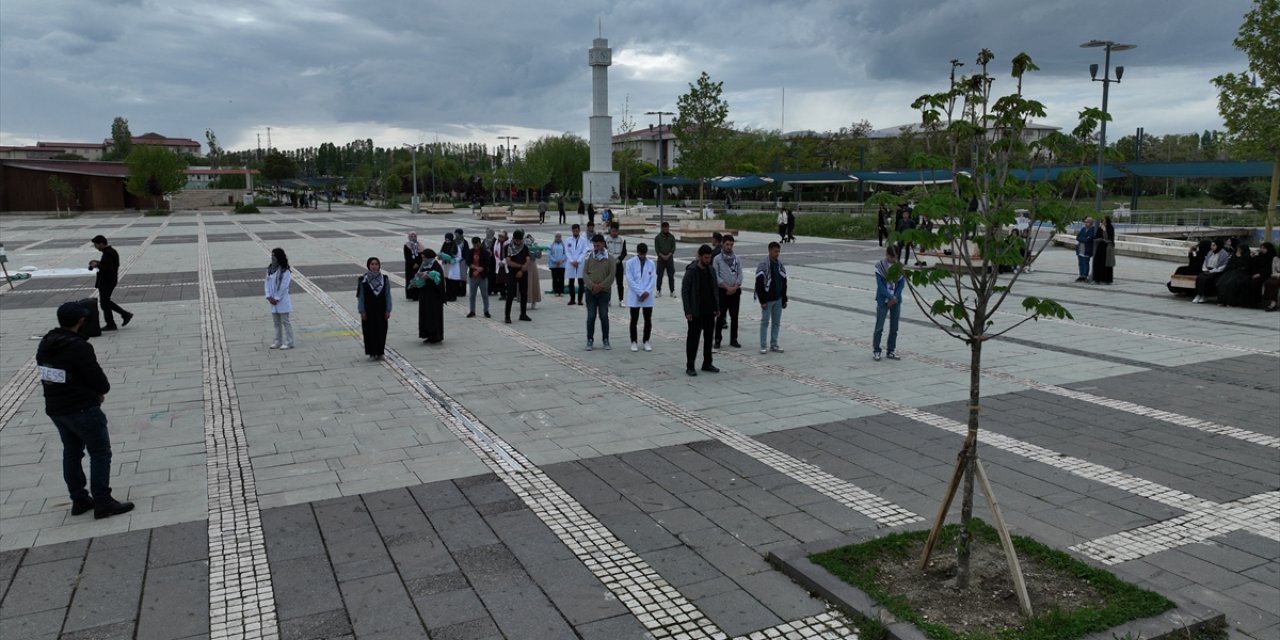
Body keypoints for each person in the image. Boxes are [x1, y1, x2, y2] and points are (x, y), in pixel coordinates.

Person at [36, 302, 134, 519]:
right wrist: (97, 392)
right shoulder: (78, 347)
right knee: (100, 452)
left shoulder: (46, 343)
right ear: (81, 321)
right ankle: (103, 501)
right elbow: (98, 380)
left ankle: (79, 499)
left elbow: (50, 374)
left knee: (71, 452)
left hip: (56, 409)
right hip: (82, 408)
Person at [682, 245, 720, 376]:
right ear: (700, 256)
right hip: (695, 311)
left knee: (709, 338)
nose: (708, 260)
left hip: (709, 311)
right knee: (693, 339)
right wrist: (688, 311)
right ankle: (690, 366)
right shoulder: (691, 271)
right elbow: (685, 291)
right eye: (706, 257)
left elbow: (715, 289)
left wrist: (717, 307)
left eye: (709, 257)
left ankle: (707, 363)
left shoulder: (711, 270)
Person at [88, 235, 134, 331]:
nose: (95, 247)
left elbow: (109, 269)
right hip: (108, 280)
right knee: (105, 302)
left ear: (101, 244)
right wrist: (98, 263)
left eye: (96, 245)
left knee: (105, 302)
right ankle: (122, 316)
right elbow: (107, 265)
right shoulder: (108, 252)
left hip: (107, 281)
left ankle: (114, 322)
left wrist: (98, 264)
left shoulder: (109, 253)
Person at [755, 241, 788, 354]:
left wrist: (784, 298)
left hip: (778, 298)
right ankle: (763, 345)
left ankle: (774, 344)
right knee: (765, 322)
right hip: (767, 300)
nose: (777, 254)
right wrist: (762, 300)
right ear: (769, 251)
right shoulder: (763, 265)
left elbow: (784, 282)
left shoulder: (780, 265)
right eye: (775, 251)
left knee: (776, 323)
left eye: (778, 251)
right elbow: (759, 284)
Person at [872, 246, 904, 361]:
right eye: (891, 257)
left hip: (896, 300)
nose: (893, 259)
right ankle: (876, 350)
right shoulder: (879, 266)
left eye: (895, 257)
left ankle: (891, 350)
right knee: (879, 327)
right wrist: (890, 297)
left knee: (894, 327)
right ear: (887, 255)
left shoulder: (899, 267)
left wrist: (895, 297)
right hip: (883, 300)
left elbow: (901, 284)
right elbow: (880, 286)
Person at [583, 234, 615, 350]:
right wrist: (592, 286)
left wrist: (600, 286)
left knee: (604, 316)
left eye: (598, 245)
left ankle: (605, 339)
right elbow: (584, 273)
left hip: (604, 292)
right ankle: (589, 339)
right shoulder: (589, 256)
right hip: (590, 291)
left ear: (603, 244)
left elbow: (611, 276)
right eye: (594, 245)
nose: (596, 247)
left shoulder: (609, 258)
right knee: (591, 316)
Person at [357, 257, 392, 360]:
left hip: (381, 309)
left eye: (376, 264)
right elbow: (361, 296)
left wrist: (388, 309)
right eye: (372, 264)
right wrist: (362, 311)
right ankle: (372, 352)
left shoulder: (384, 278)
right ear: (368, 265)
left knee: (381, 330)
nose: (374, 266)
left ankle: (380, 352)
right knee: (369, 331)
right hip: (368, 310)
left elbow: (387, 295)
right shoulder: (363, 279)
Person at [712, 234, 743, 350]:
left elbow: (740, 274)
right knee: (720, 316)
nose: (729, 247)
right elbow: (716, 276)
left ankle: (734, 339)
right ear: (723, 244)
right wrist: (726, 287)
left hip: (735, 292)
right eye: (727, 244)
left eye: (731, 245)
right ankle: (717, 339)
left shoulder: (737, 259)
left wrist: (735, 287)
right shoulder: (717, 259)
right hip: (722, 292)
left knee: (734, 316)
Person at [625, 242, 656, 352]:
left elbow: (653, 278)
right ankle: (634, 341)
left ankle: (646, 340)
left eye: (644, 254)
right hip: (635, 295)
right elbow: (630, 280)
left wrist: (646, 292)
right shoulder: (630, 263)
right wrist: (640, 292)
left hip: (647, 295)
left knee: (648, 319)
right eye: (641, 254)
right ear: (637, 252)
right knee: (634, 319)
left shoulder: (651, 263)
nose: (642, 256)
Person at [264, 247, 294, 350]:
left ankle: (289, 342)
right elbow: (266, 283)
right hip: (272, 300)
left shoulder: (285, 271)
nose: (272, 258)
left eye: (274, 256)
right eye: (271, 256)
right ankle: (277, 341)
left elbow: (283, 286)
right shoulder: (270, 269)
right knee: (276, 323)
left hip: (281, 300)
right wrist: (268, 296)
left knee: (285, 322)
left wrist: (276, 298)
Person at [416, 249, 446, 343]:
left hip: (434, 296)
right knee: (426, 315)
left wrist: (429, 277)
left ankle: (436, 336)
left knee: (434, 316)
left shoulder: (436, 266)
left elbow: (439, 281)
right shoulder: (424, 264)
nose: (423, 259)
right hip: (425, 294)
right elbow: (418, 274)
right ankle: (428, 334)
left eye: (424, 257)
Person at [504, 230, 533, 323]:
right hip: (512, 273)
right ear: (513, 239)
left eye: (520, 240)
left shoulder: (524, 247)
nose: (518, 242)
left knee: (524, 293)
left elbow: (528, 259)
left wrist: (522, 270)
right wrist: (520, 266)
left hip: (523, 272)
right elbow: (509, 261)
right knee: (510, 294)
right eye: (517, 240)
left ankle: (523, 314)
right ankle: (507, 316)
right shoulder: (508, 247)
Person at [1215, 243, 1257, 307]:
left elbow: (1246, 266)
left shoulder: (1247, 256)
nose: (1238, 250)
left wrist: (1240, 257)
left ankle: (1230, 302)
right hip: (1231, 272)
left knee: (1231, 283)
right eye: (1238, 249)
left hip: (1241, 273)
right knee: (1222, 282)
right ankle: (1221, 301)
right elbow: (1230, 264)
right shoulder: (1234, 255)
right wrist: (1236, 257)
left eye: (1240, 249)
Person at [465, 236, 494, 318]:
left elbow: (487, 263)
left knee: (484, 295)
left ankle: (486, 311)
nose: (476, 246)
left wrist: (480, 269)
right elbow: (468, 262)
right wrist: (476, 268)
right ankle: (472, 311)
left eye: (477, 244)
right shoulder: (470, 251)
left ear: (480, 243)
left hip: (482, 277)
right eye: (474, 245)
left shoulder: (484, 252)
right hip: (473, 277)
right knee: (472, 295)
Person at [564, 224, 590, 305]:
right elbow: (567, 251)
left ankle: (580, 300)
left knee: (581, 282)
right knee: (571, 282)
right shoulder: (568, 240)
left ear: (579, 230)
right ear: (572, 231)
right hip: (571, 263)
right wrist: (572, 261)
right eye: (574, 230)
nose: (575, 232)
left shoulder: (584, 240)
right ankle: (572, 299)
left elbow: (584, 251)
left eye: (577, 230)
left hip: (580, 262)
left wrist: (578, 261)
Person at [606, 224, 628, 305]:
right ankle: (608, 300)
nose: (614, 233)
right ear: (610, 231)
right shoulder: (606, 239)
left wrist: (620, 259)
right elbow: (604, 251)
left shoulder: (622, 239)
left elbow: (624, 252)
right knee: (608, 283)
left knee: (620, 283)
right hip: (609, 264)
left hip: (619, 264)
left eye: (616, 231)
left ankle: (621, 300)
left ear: (618, 231)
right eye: (613, 231)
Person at [654, 221, 677, 297]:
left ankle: (672, 291)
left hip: (669, 259)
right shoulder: (658, 237)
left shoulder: (671, 237)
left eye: (668, 228)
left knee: (671, 275)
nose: (667, 229)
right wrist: (662, 256)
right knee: (659, 275)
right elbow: (657, 249)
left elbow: (673, 248)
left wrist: (668, 255)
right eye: (665, 228)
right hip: (661, 259)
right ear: (662, 228)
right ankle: (658, 290)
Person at [1091, 216, 1116, 284]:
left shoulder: (1110, 227)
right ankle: (1097, 279)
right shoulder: (1100, 227)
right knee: (1097, 262)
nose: (1103, 222)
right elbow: (1096, 238)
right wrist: (1101, 239)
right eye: (1102, 221)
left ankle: (1106, 280)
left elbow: (1107, 238)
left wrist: (1104, 230)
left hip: (1107, 248)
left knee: (1106, 264)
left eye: (1104, 221)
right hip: (1100, 247)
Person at [441, 233, 464, 302]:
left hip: (453, 266)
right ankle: (448, 295)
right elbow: (441, 253)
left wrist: (453, 260)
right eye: (446, 240)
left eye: (448, 240)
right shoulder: (444, 245)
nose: (447, 242)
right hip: (446, 266)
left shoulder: (456, 246)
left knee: (453, 282)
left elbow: (459, 257)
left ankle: (453, 296)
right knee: (447, 281)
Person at [1074, 218, 1097, 282]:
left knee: (1085, 262)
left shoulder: (1093, 230)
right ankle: (1081, 275)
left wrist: (1083, 239)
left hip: (1087, 249)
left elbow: (1089, 239)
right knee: (1080, 263)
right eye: (1085, 222)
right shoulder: (1083, 229)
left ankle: (1085, 276)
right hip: (1080, 248)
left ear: (1091, 223)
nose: (1086, 223)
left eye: (1087, 222)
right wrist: (1084, 239)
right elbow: (1078, 237)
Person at [524, 233, 544, 310]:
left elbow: (538, 256)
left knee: (534, 283)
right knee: (526, 284)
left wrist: (539, 250)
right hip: (525, 265)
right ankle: (524, 302)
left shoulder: (534, 246)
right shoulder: (523, 246)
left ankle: (534, 302)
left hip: (533, 265)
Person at [403, 232, 424, 300]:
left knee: (418, 279)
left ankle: (417, 295)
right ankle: (410, 295)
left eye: (414, 236)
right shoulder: (406, 245)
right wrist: (413, 263)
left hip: (418, 266)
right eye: (411, 236)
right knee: (410, 280)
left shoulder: (420, 245)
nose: (413, 237)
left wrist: (417, 263)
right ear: (409, 237)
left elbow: (421, 256)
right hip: (410, 266)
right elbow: (407, 256)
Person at [1263, 243, 1280, 312]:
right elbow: (1273, 270)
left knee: (1274, 284)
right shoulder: (1275, 258)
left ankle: (1273, 304)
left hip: (1278, 276)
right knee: (1268, 282)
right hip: (1275, 275)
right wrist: (1276, 275)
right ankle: (1272, 302)